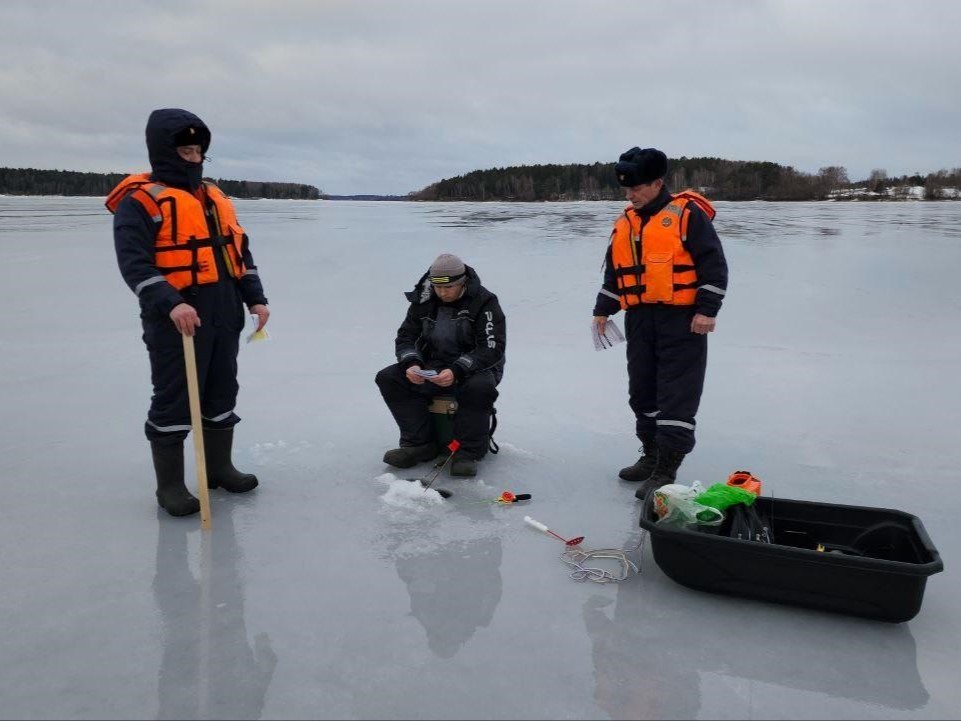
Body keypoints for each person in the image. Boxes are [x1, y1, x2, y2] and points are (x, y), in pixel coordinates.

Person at [106, 108, 270, 517]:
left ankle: (218, 469)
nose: (194, 158)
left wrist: (256, 297)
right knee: (174, 397)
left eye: (198, 150)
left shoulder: (215, 198)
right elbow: (135, 265)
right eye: (185, 149)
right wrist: (172, 302)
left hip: (224, 311)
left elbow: (239, 254)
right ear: (164, 151)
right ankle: (171, 487)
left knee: (221, 390)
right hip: (175, 318)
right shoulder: (140, 203)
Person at [592, 147, 728, 500]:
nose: (630, 194)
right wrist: (603, 309)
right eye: (626, 188)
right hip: (640, 319)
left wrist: (707, 310)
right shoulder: (626, 221)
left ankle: (667, 468)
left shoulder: (687, 215)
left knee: (676, 395)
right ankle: (651, 455)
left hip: (682, 321)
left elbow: (713, 266)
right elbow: (616, 273)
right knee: (642, 391)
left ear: (657, 182)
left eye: (636, 187)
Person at [375, 253, 505, 477]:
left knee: (479, 388)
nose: (442, 292)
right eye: (437, 287)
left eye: (449, 287)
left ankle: (467, 452)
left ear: (462, 282)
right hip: (433, 363)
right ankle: (419, 443)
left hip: (476, 367)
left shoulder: (484, 301)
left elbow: (491, 348)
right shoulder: (423, 300)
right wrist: (412, 363)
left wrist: (457, 369)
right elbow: (406, 337)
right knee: (389, 378)